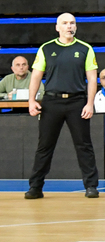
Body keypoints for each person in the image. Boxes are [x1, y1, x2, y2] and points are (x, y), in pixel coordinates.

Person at [24, 13, 100, 199]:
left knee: (84, 145)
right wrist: (32, 100)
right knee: (44, 146)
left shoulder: (85, 49)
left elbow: (92, 79)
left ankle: (91, 186)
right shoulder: (46, 48)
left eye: (72, 23)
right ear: (57, 27)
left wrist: (90, 103)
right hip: (52, 102)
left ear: (76, 27)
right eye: (65, 23)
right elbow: (36, 76)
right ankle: (35, 187)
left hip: (77, 101)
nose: (69, 26)